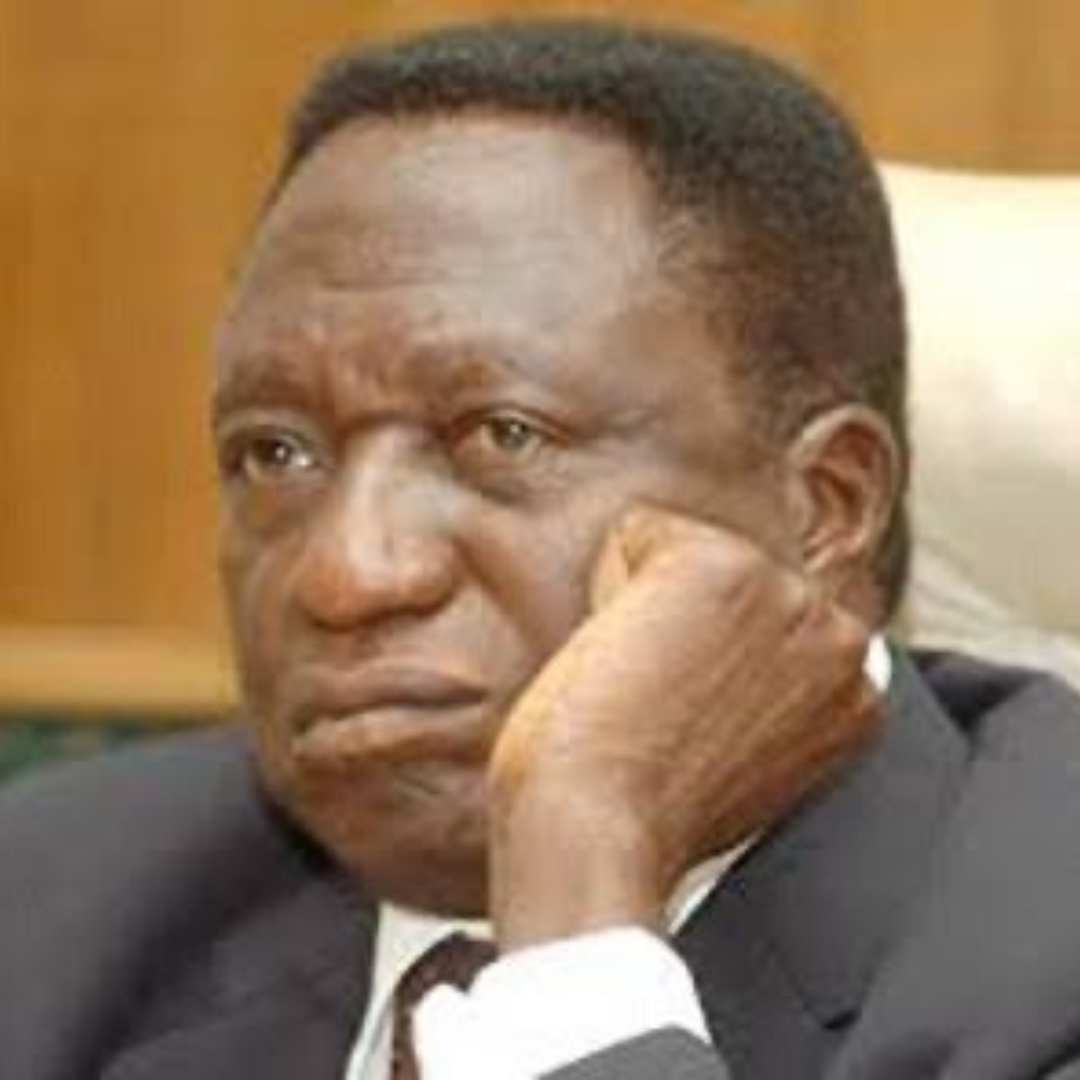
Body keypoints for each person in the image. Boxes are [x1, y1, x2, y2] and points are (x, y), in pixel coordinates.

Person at [4, 20, 1080, 1080]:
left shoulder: (1043, 976)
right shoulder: (50, 905)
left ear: (826, 505)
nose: (347, 574)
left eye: (503, 435)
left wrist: (578, 908)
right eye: (275, 453)